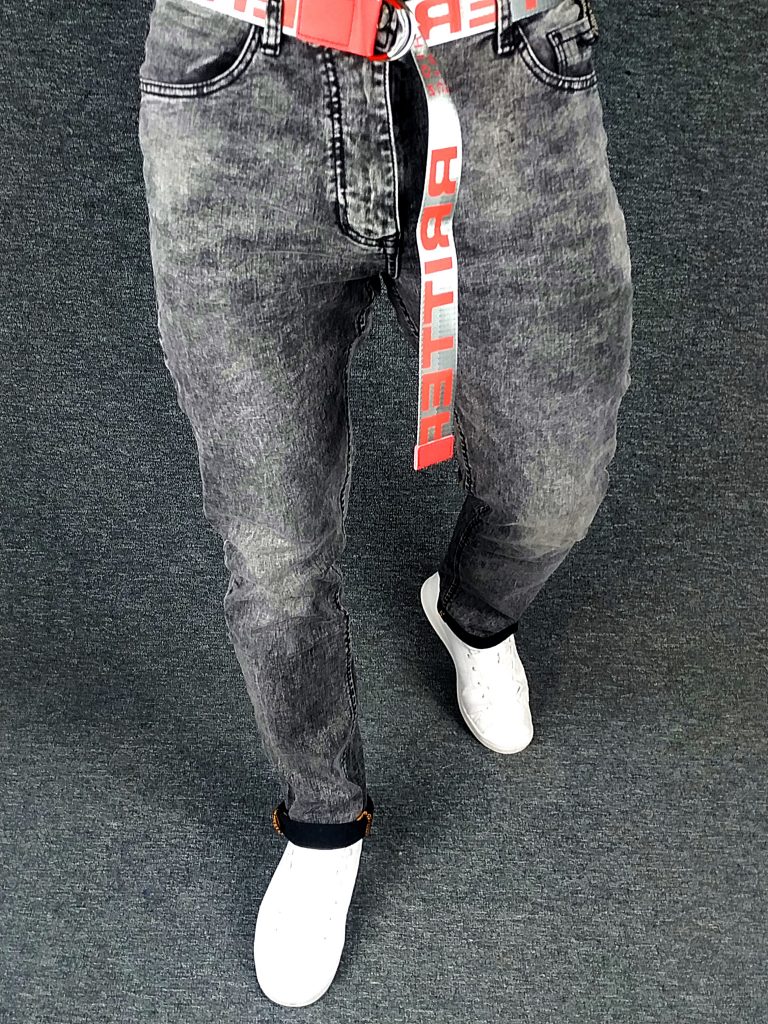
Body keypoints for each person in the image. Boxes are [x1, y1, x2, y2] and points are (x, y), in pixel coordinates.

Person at [137, 0, 633, 1007]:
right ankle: (322, 815)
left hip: (503, 63)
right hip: (243, 78)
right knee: (273, 550)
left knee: (556, 481)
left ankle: (470, 613)